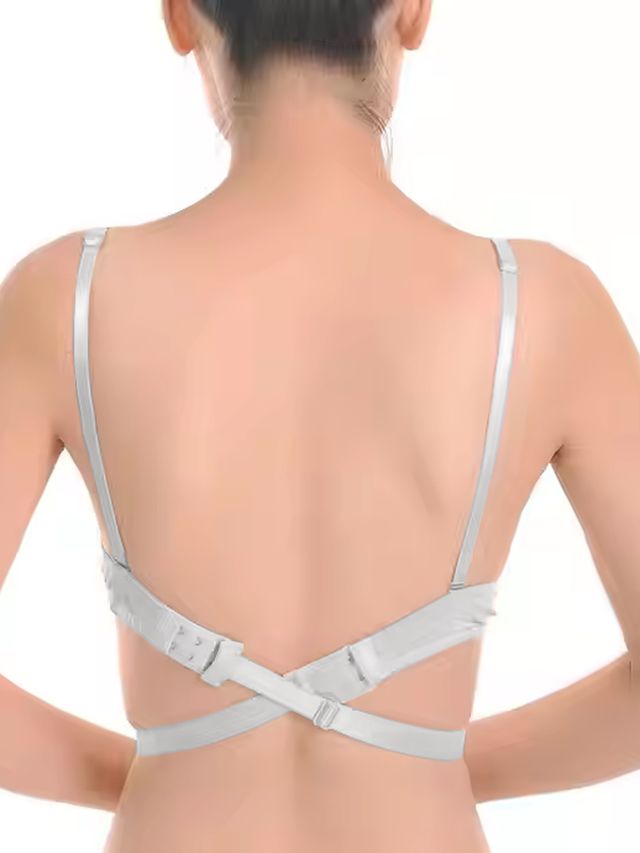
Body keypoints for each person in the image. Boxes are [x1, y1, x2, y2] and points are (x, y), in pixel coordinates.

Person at [1, 1, 639, 851]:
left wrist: (169, 770)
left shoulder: (68, 300)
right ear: (413, 12)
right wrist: (424, 762)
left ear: (180, 17)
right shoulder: (544, 308)